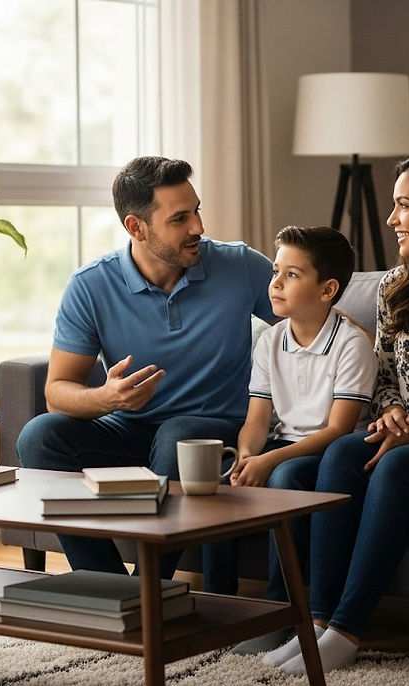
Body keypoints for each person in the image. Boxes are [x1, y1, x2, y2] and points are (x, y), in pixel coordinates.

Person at [264, 150, 409, 675]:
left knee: (391, 465)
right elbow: (385, 371)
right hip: (403, 429)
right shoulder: (396, 287)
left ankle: (345, 631)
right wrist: (391, 410)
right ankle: (316, 626)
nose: (392, 219)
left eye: (403, 206)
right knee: (343, 452)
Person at [16, 156, 275, 593]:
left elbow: (314, 326)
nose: (198, 227)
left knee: (179, 435)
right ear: (136, 227)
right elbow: (57, 391)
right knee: (39, 436)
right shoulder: (91, 285)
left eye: (196, 210)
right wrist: (108, 399)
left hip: (215, 431)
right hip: (129, 429)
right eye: (180, 218)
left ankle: (150, 585)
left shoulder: (242, 267)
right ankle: (109, 586)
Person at [229, 225, 378, 654]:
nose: (275, 283)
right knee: (227, 480)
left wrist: (270, 462)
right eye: (276, 272)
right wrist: (246, 456)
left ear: (327, 288)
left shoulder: (351, 344)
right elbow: (257, 421)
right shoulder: (270, 341)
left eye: (292, 275)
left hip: (333, 450)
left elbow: (336, 429)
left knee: (287, 475)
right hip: (286, 444)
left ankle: (283, 609)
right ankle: (229, 604)